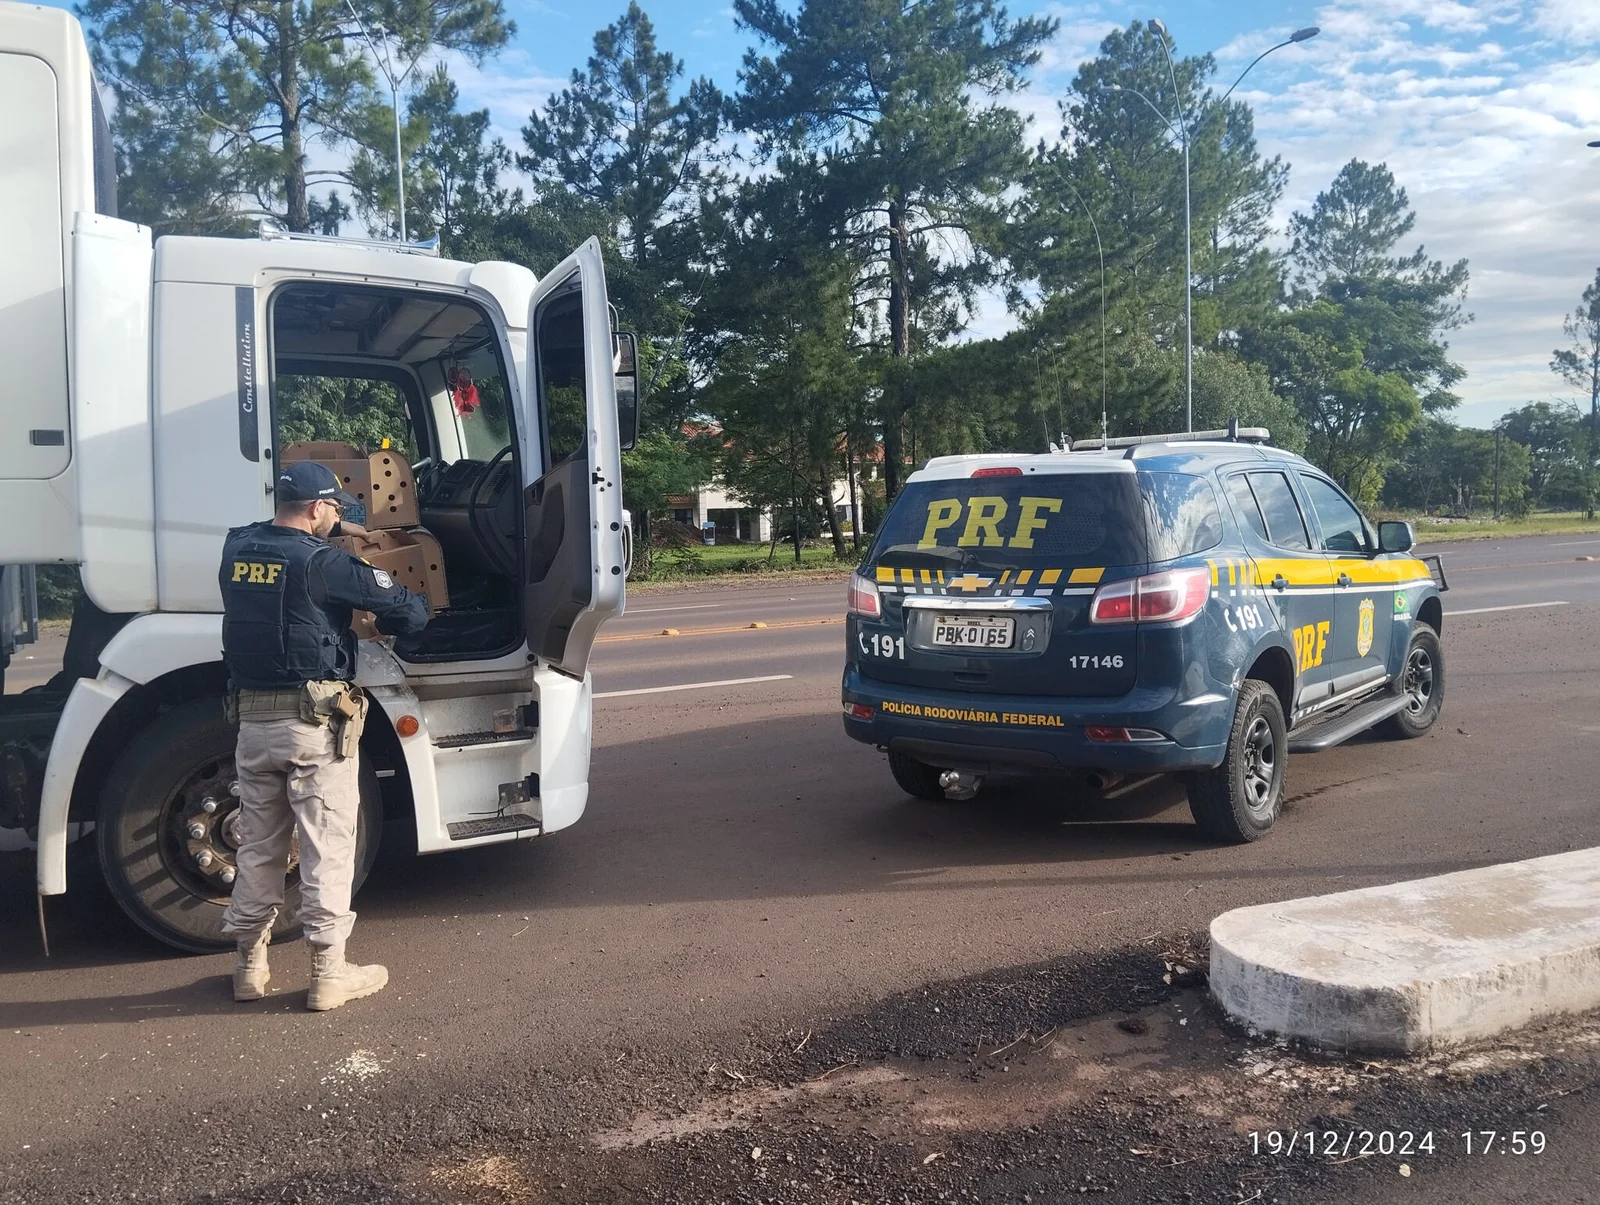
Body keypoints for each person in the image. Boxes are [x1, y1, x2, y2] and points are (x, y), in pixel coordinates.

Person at [217, 461, 428, 1010]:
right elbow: (411, 611)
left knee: (258, 847)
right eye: (335, 508)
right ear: (316, 508)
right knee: (326, 847)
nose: (339, 517)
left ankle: (248, 966)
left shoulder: (237, 550)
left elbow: (272, 546)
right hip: (312, 728)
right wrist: (376, 599)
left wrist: (341, 532)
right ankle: (328, 974)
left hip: (253, 726)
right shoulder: (325, 564)